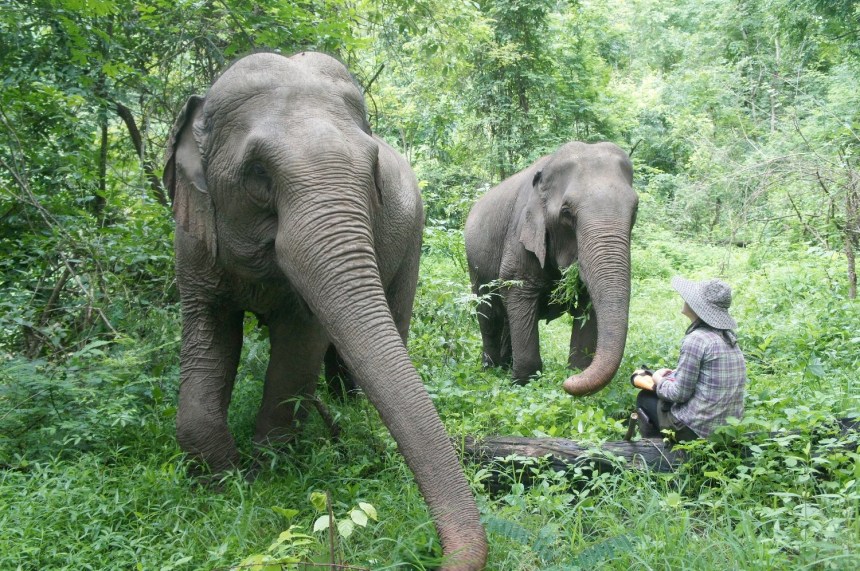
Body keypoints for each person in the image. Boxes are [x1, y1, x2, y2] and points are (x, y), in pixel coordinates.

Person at [636, 277, 747, 442]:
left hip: (698, 431)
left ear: (697, 307)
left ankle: (661, 451)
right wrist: (675, 374)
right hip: (729, 430)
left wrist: (658, 379)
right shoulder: (728, 337)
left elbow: (678, 394)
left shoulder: (696, 339)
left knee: (644, 398)